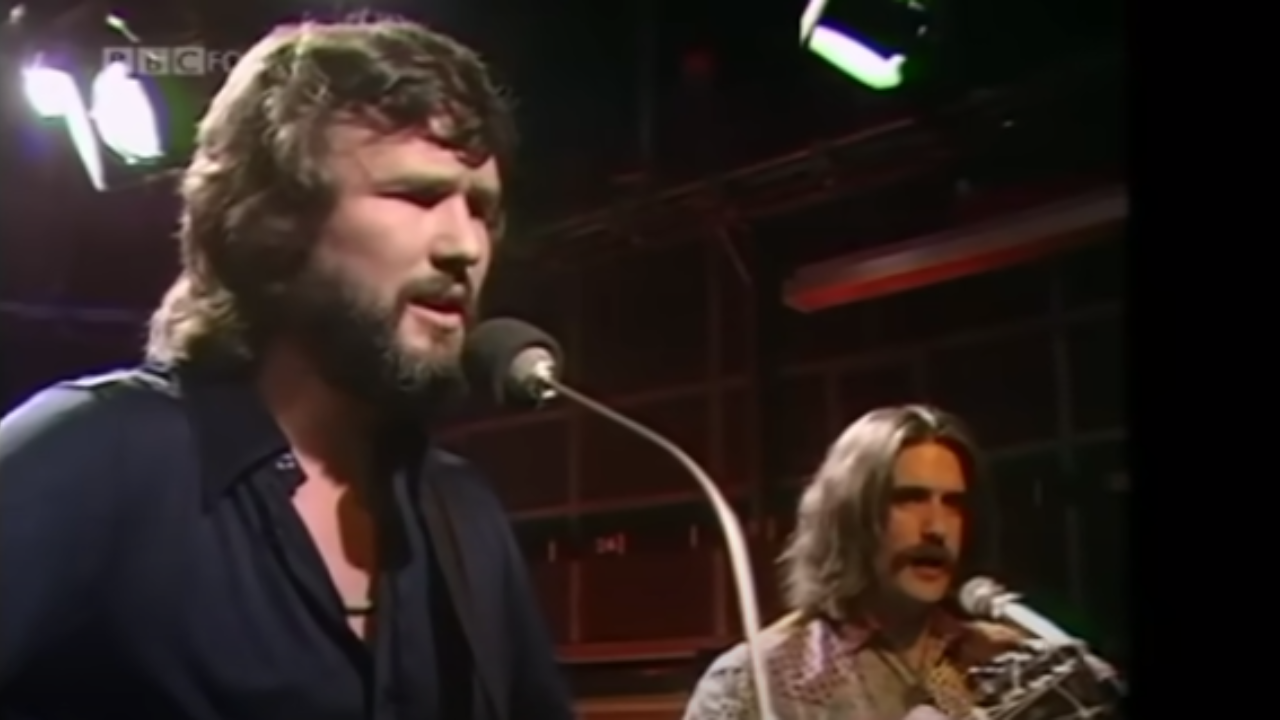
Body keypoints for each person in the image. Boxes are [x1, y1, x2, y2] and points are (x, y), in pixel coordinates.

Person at [0, 15, 574, 720]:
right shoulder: (97, 454)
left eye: (481, 208)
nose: (465, 245)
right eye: (416, 196)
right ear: (275, 223)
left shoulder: (462, 513)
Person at [684, 404, 1024, 720]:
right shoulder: (753, 682)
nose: (937, 528)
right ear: (848, 516)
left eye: (953, 503)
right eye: (909, 499)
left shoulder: (1001, 664)